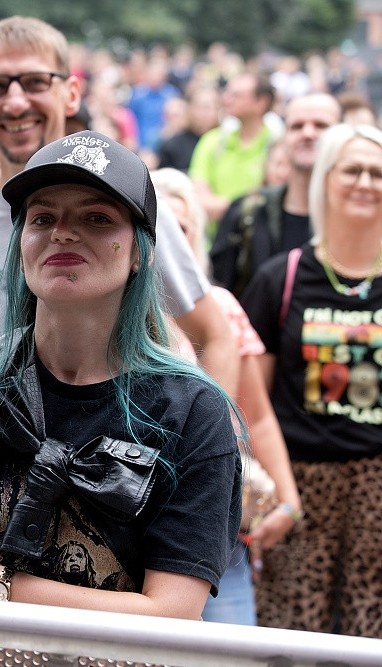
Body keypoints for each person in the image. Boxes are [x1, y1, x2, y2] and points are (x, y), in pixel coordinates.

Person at [0, 131, 243, 620]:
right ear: (20, 245)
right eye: (43, 218)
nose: (64, 233)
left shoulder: (194, 411)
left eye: (97, 218)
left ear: (141, 252)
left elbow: (170, 617)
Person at [0, 16, 239, 395]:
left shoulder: (133, 208)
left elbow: (215, 336)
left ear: (71, 94)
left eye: (35, 82)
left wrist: (205, 426)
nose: (15, 102)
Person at [241, 123, 382, 638]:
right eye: (353, 170)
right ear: (325, 179)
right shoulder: (281, 277)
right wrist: (276, 494)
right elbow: (250, 402)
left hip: (378, 486)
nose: (366, 182)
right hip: (298, 486)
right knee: (292, 638)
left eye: (377, 173)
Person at [152, 167, 302, 626]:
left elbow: (257, 416)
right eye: (157, 227)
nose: (168, 242)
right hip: (134, 518)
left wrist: (288, 499)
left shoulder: (222, 310)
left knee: (231, 650)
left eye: (180, 229)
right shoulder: (107, 310)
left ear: (195, 240)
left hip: (219, 526)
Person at [209, 93, 340, 297]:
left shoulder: (361, 215)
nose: (307, 133)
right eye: (296, 126)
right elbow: (220, 293)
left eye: (321, 125)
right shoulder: (246, 212)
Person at [189, 72, 280, 223]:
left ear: (262, 101)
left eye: (237, 95)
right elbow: (198, 200)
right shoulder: (212, 141)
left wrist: (221, 206)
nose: (226, 99)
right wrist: (246, 205)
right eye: (227, 93)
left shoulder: (277, 144)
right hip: (215, 237)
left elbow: (274, 202)